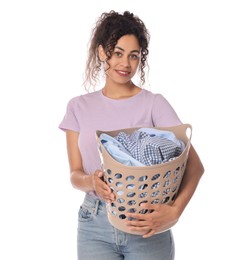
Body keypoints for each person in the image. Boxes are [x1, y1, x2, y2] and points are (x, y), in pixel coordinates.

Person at [59, 10, 204, 260]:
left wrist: (175, 211)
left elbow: (195, 166)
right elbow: (75, 174)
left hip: (147, 222)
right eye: (118, 53)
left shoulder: (154, 104)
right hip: (94, 223)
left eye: (133, 56)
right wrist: (91, 182)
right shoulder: (77, 107)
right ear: (102, 52)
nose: (125, 64)